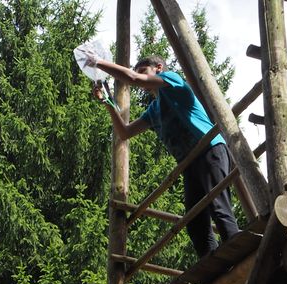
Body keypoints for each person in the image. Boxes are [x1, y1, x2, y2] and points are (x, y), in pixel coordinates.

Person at [90, 52, 239, 258]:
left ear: (159, 68)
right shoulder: (154, 110)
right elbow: (125, 132)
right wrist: (107, 101)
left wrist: (97, 62)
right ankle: (213, 263)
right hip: (189, 163)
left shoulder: (172, 80)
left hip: (209, 149)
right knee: (195, 222)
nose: (140, 76)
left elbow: (134, 79)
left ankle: (237, 251)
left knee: (218, 206)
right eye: (139, 72)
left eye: (144, 71)